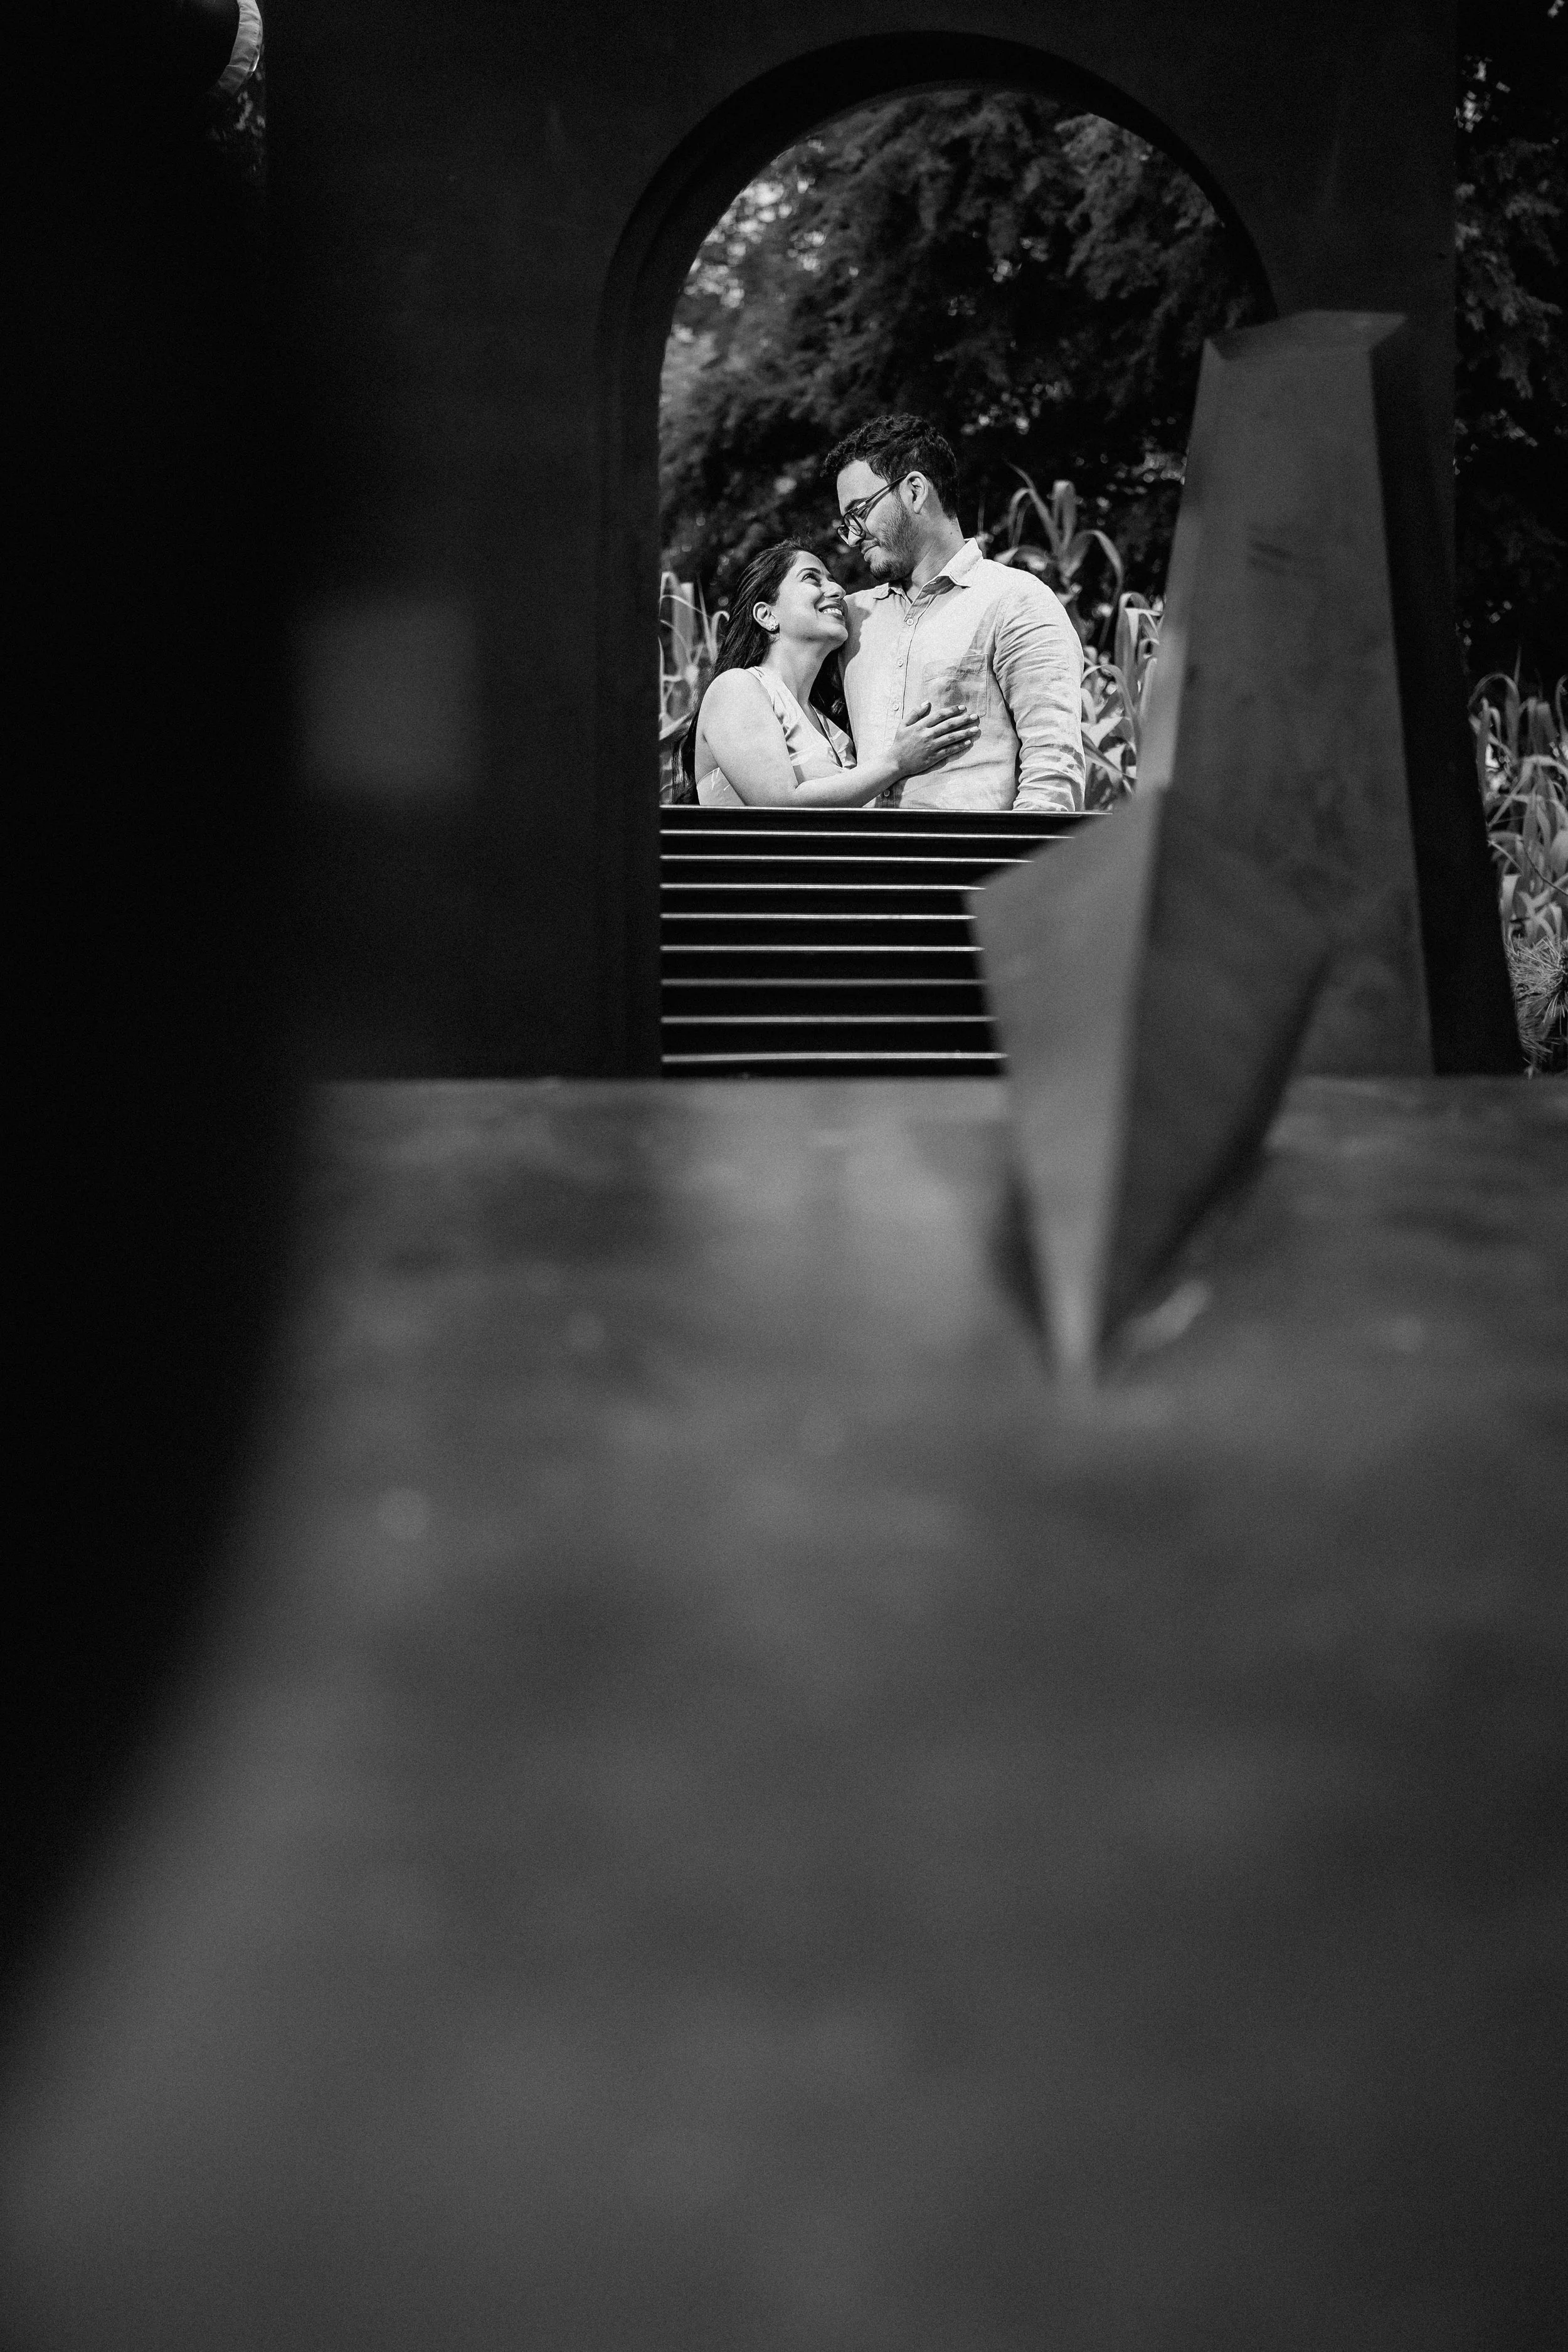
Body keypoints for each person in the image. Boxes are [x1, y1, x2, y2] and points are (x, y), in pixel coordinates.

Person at [824, 413, 1085, 815]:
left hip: (970, 870)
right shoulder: (851, 618)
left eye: (860, 510)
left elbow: (1052, 770)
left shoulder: (1015, 600)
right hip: (869, 869)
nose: (855, 534)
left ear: (914, 491)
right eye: (847, 522)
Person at [680, 541, 979, 807]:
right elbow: (777, 806)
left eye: (833, 580)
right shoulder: (737, 687)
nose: (837, 590)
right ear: (767, 615)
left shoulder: (830, 727)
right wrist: (897, 762)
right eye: (812, 578)